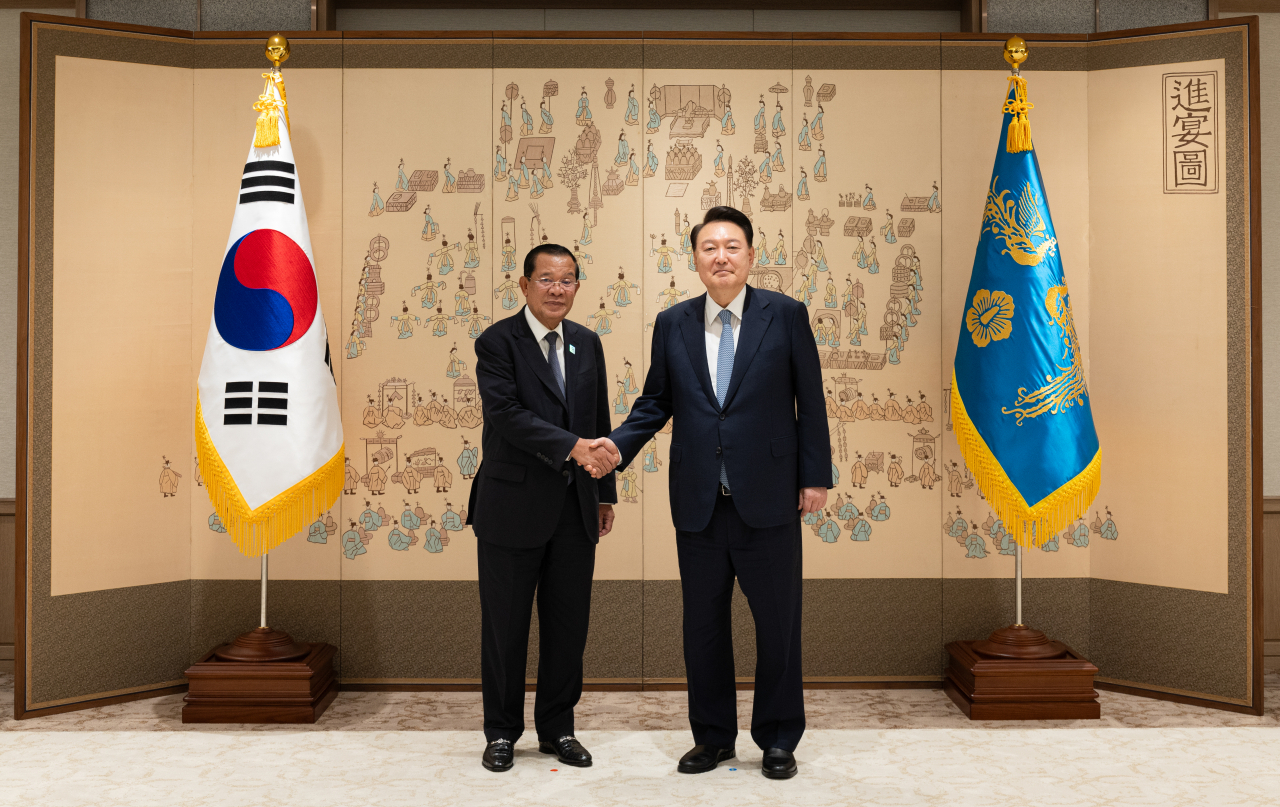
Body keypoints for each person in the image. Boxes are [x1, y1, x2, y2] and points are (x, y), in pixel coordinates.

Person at [595, 206, 829, 780]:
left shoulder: (786, 315)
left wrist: (815, 476)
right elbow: (656, 402)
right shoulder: (672, 323)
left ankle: (777, 738)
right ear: (695, 258)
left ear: (750, 255)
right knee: (702, 627)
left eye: (731, 246)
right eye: (708, 247)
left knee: (777, 625)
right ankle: (713, 737)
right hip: (699, 499)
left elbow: (811, 400)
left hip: (770, 497)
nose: (720, 256)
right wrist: (617, 446)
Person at [468, 242, 620, 773]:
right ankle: (502, 732)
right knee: (505, 628)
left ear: (577, 286)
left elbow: (597, 417)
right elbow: (506, 414)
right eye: (548, 280)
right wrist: (572, 447)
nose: (558, 290)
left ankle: (558, 728)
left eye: (568, 280)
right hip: (511, 507)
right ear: (525, 285)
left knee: (567, 627)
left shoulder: (586, 343)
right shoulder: (497, 342)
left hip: (575, 509)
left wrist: (604, 492)